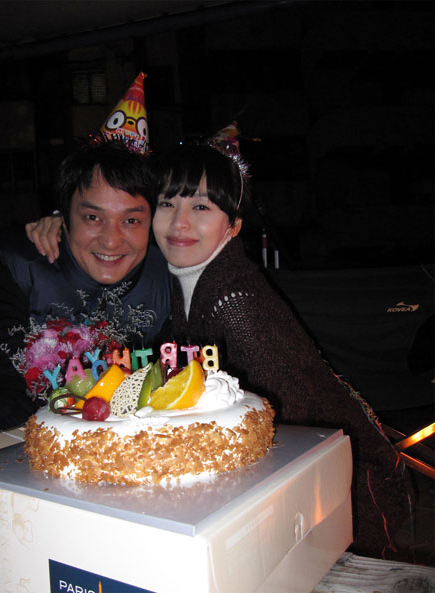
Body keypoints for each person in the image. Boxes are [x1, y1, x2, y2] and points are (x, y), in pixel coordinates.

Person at [26, 137, 412, 560]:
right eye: (168, 203)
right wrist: (61, 222)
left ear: (235, 225)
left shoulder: (236, 305)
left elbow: (293, 426)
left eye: (202, 207)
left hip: (347, 494)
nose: (180, 223)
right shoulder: (186, 274)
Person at [0, 141, 171, 434]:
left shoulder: (168, 274)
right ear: (63, 218)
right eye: (93, 218)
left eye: (131, 220)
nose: (111, 241)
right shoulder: (14, 265)